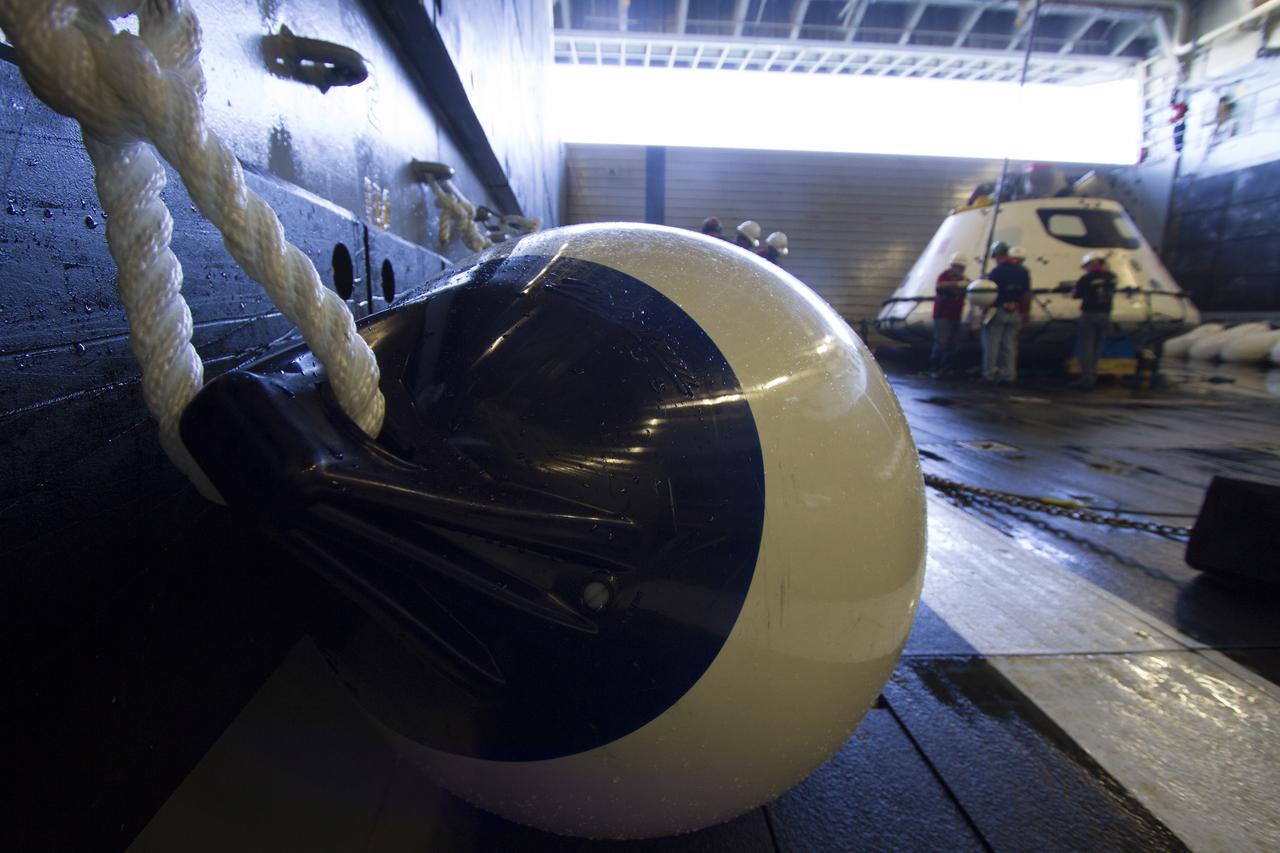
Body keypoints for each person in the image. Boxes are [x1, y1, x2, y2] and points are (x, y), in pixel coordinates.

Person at [981, 244, 1030, 384]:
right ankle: (1008, 375)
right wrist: (1025, 312)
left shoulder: (997, 271)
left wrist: (984, 311)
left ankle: (989, 374)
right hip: (1015, 311)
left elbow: (989, 293)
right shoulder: (1023, 271)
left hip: (998, 310)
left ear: (998, 255)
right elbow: (1026, 294)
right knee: (1009, 345)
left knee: (992, 344)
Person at [1070, 252, 1116, 388]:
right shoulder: (1112, 278)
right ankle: (1093, 376)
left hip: (1089, 314)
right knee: (1098, 347)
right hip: (1105, 315)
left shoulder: (1087, 278)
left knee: (1087, 347)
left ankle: (1087, 378)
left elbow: (1076, 294)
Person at [931, 253, 967, 377]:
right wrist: (957, 284)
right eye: (958, 267)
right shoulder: (944, 276)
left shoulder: (963, 279)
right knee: (942, 341)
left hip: (955, 315)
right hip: (943, 315)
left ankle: (946, 368)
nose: (960, 270)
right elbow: (940, 286)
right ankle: (935, 368)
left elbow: (970, 284)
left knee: (953, 343)